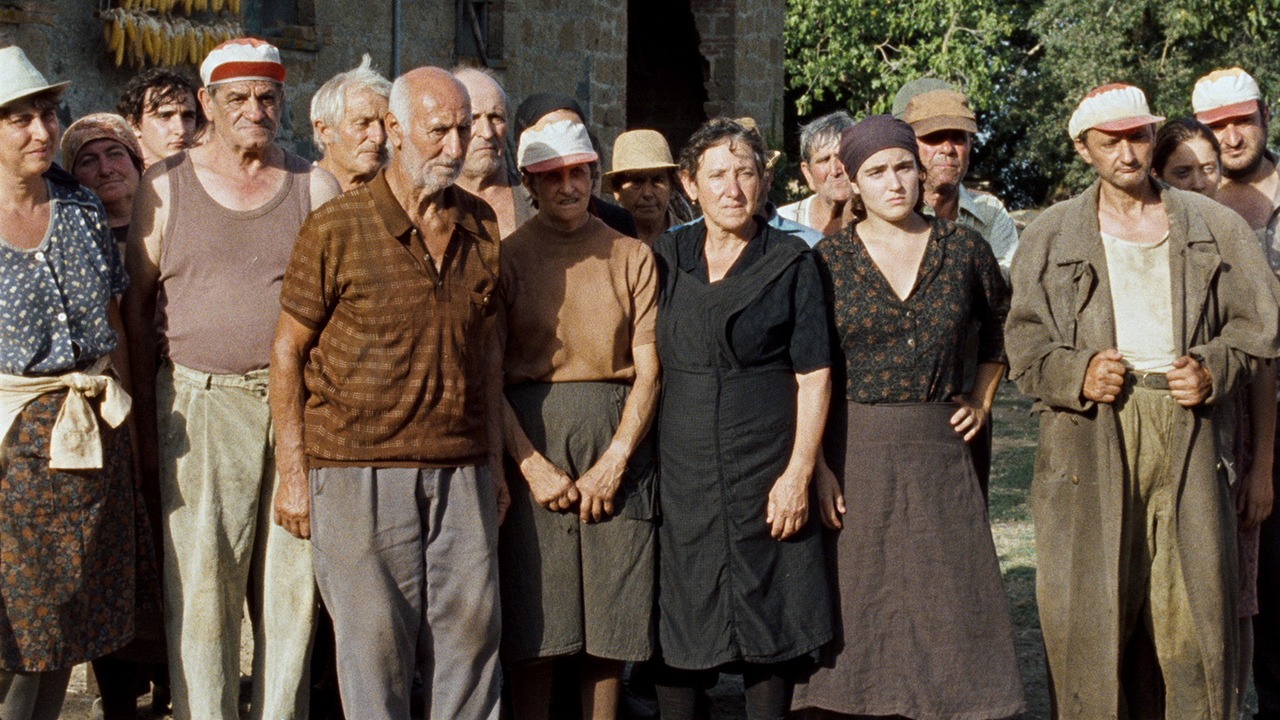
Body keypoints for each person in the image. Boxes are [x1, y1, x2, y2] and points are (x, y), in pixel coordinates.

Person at [1005, 82, 1280, 719]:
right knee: (1089, 614)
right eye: (1111, 141)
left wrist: (1215, 367)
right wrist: (1074, 372)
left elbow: (1258, 326)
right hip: (1090, 435)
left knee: (1196, 617)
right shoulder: (1051, 234)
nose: (1129, 152)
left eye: (1138, 136)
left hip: (1187, 427)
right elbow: (1021, 342)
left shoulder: (1214, 224)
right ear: (1083, 149)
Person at [271, 66, 507, 720]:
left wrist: (492, 466)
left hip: (460, 471)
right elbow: (287, 352)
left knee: (471, 641)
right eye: (439, 132)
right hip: (356, 470)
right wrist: (293, 474)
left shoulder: (481, 225)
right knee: (374, 654)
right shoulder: (336, 228)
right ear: (397, 132)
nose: (456, 147)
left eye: (463, 130)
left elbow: (487, 351)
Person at [122, 38, 340, 720]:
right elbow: (134, 307)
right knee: (201, 596)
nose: (256, 110)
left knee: (290, 589)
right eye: (238, 98)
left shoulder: (314, 185)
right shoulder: (165, 186)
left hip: (293, 413)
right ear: (207, 106)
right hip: (198, 402)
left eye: (268, 97)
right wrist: (142, 427)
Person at [790, 115, 1023, 720]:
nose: (893, 183)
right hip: (855, 444)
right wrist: (815, 465)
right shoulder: (828, 261)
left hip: (939, 443)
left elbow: (1002, 324)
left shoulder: (963, 247)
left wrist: (982, 395)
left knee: (945, 587)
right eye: (876, 172)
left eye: (903, 168)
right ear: (851, 181)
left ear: (920, 173)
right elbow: (810, 367)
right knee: (863, 592)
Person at [651, 117, 832, 720]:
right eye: (717, 175)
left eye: (746, 173)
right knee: (681, 613)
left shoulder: (792, 261)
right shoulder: (664, 258)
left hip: (766, 461)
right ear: (689, 184)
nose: (733, 189)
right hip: (683, 470)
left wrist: (799, 472)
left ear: (764, 180)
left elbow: (814, 374)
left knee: (769, 610)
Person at [0, 45, 154, 720]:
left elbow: (117, 323)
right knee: (14, 623)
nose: (41, 131)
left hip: (91, 436)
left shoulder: (82, 209)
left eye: (46, 113)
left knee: (71, 615)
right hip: (11, 445)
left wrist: (137, 432)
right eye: (18, 119)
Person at [499, 118, 659, 720]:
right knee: (536, 613)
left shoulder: (630, 254)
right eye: (552, 177)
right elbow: (488, 376)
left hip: (618, 436)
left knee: (612, 613)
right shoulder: (508, 259)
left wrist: (616, 459)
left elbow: (649, 367)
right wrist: (530, 464)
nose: (568, 187)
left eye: (579, 173)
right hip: (532, 435)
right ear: (528, 186)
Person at [1152, 114, 1277, 717]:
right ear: (1157, 175)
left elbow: (1262, 363)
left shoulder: (1235, 245)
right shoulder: (1144, 245)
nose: (1200, 182)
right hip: (1163, 438)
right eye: (1183, 171)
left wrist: (1263, 469)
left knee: (1238, 589)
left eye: (1209, 169)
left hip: (1238, 439)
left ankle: (1231, 702)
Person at [1191, 68, 1280, 720]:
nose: (1231, 135)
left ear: (1265, 115)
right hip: (1240, 411)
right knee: (1257, 580)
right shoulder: (1200, 204)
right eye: (1217, 126)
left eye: (1241, 120)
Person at [894, 80, 1021, 500]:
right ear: (909, 145)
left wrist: (982, 401)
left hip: (966, 394)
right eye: (933, 138)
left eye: (959, 138)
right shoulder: (886, 212)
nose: (948, 149)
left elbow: (1003, 305)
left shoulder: (988, 214)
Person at [513, 92, 637, 238]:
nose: (567, 188)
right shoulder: (510, 219)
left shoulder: (617, 223)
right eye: (552, 130)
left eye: (574, 130)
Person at [453, 66, 522, 238]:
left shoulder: (538, 202)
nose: (487, 132)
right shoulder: (428, 204)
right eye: (472, 119)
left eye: (496, 117)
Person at [62, 113, 143, 249]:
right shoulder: (73, 245)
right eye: (89, 161)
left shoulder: (173, 221)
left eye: (114, 154)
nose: (105, 170)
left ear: (137, 163)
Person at [311, 54, 390, 192]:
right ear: (324, 130)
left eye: (384, 124)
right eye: (363, 123)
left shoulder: (400, 198)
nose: (379, 137)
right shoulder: (298, 194)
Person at [604, 129, 691, 244]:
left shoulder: (689, 239)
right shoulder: (603, 242)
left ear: (671, 188)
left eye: (657, 181)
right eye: (637, 182)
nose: (647, 193)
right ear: (617, 191)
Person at [776, 110, 855, 237]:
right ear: (807, 173)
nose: (835, 171)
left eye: (842, 157)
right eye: (824, 160)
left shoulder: (880, 218)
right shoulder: (783, 223)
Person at [116, 67, 200, 169]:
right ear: (134, 125)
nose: (181, 130)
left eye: (188, 116)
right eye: (165, 116)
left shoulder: (207, 180)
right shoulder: (117, 179)